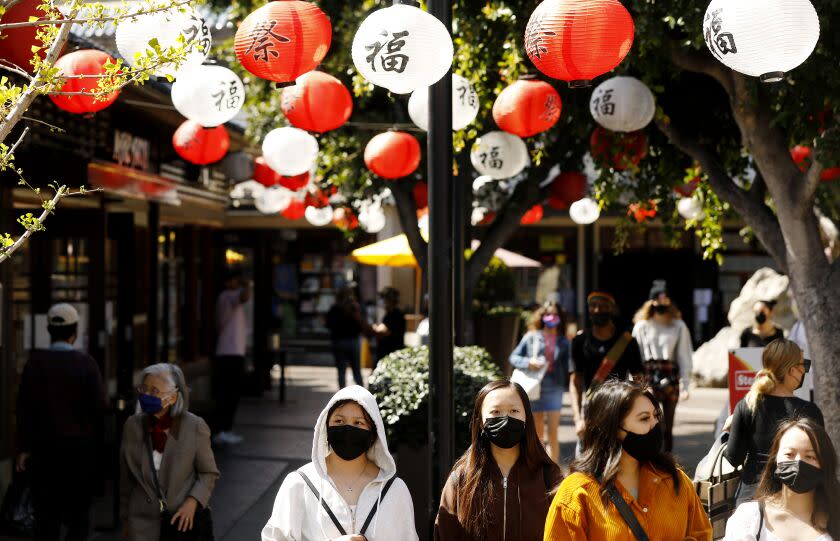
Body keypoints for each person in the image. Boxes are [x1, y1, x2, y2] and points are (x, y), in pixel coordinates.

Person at [544, 380, 712, 540]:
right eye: (644, 418)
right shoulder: (577, 494)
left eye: (656, 416)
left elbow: (703, 535)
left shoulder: (676, 480)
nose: (656, 426)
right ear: (614, 428)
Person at [262, 385, 418, 540]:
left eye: (358, 423)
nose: (348, 429)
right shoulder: (299, 484)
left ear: (373, 433)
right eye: (339, 421)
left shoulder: (395, 490)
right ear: (326, 428)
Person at [15, 303, 108, 541]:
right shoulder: (87, 364)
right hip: (79, 452)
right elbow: (99, 410)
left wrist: (24, 449)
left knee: (46, 518)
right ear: (75, 331)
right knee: (79, 518)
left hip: (43, 451)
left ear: (48, 329)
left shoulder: (35, 363)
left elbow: (24, 409)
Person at [434, 380, 564, 540]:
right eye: (495, 412)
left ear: (526, 417)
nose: (506, 419)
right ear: (481, 422)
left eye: (514, 410)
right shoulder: (461, 480)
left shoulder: (549, 476)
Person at [121, 364, 218, 541]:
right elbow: (126, 478)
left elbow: (208, 472)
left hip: (180, 522)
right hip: (140, 524)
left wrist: (193, 501)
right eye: (144, 389)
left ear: (173, 397)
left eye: (155, 391)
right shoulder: (132, 426)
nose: (146, 395)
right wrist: (125, 519)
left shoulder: (195, 427)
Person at [723, 339, 824, 505]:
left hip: (752, 496)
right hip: (796, 498)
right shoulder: (811, 412)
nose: (804, 370)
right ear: (793, 370)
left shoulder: (747, 405)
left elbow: (734, 458)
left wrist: (731, 429)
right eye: (804, 364)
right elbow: (820, 460)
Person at [724, 417, 839, 540]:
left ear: (825, 463)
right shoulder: (749, 519)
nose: (798, 462)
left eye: (810, 456)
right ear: (775, 460)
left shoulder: (835, 519)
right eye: (789, 454)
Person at [569, 292, 644, 448]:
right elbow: (575, 381)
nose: (597, 310)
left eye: (603, 306)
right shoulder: (580, 341)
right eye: (593, 306)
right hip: (591, 409)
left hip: (619, 409)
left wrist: (638, 411)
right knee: (585, 463)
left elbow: (639, 379)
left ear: (612, 310)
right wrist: (578, 419)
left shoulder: (627, 342)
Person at [632, 279, 693, 452]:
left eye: (666, 299)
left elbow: (684, 355)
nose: (662, 302)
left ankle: (667, 462)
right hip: (649, 375)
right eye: (658, 299)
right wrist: (639, 384)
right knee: (651, 423)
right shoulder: (641, 326)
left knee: (668, 425)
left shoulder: (678, 326)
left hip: (670, 376)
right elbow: (636, 358)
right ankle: (649, 460)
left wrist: (685, 384)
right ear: (651, 301)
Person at [509, 302, 569, 463]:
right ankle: (540, 469)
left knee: (553, 433)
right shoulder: (531, 337)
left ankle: (553, 472)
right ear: (542, 317)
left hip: (555, 388)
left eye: (555, 314)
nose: (551, 317)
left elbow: (569, 366)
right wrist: (529, 362)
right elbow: (513, 357)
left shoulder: (563, 341)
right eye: (548, 314)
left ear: (560, 318)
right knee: (538, 433)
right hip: (534, 388)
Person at [213, 270, 251, 445]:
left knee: (230, 393)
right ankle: (222, 429)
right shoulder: (227, 296)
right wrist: (247, 283)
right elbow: (244, 296)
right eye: (234, 280)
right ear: (228, 282)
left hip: (231, 351)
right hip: (230, 352)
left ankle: (224, 428)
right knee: (229, 393)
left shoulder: (227, 297)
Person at [325, 287, 369, 388]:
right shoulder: (352, 308)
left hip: (341, 341)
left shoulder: (336, 308)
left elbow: (328, 324)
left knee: (343, 370)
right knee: (355, 370)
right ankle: (361, 394)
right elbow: (362, 324)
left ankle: (343, 395)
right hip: (351, 341)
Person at [372, 287, 406, 363]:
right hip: (385, 354)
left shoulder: (397, 315)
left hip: (391, 356)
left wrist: (376, 328)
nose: (382, 302)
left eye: (384, 299)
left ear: (390, 300)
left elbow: (386, 331)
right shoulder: (388, 314)